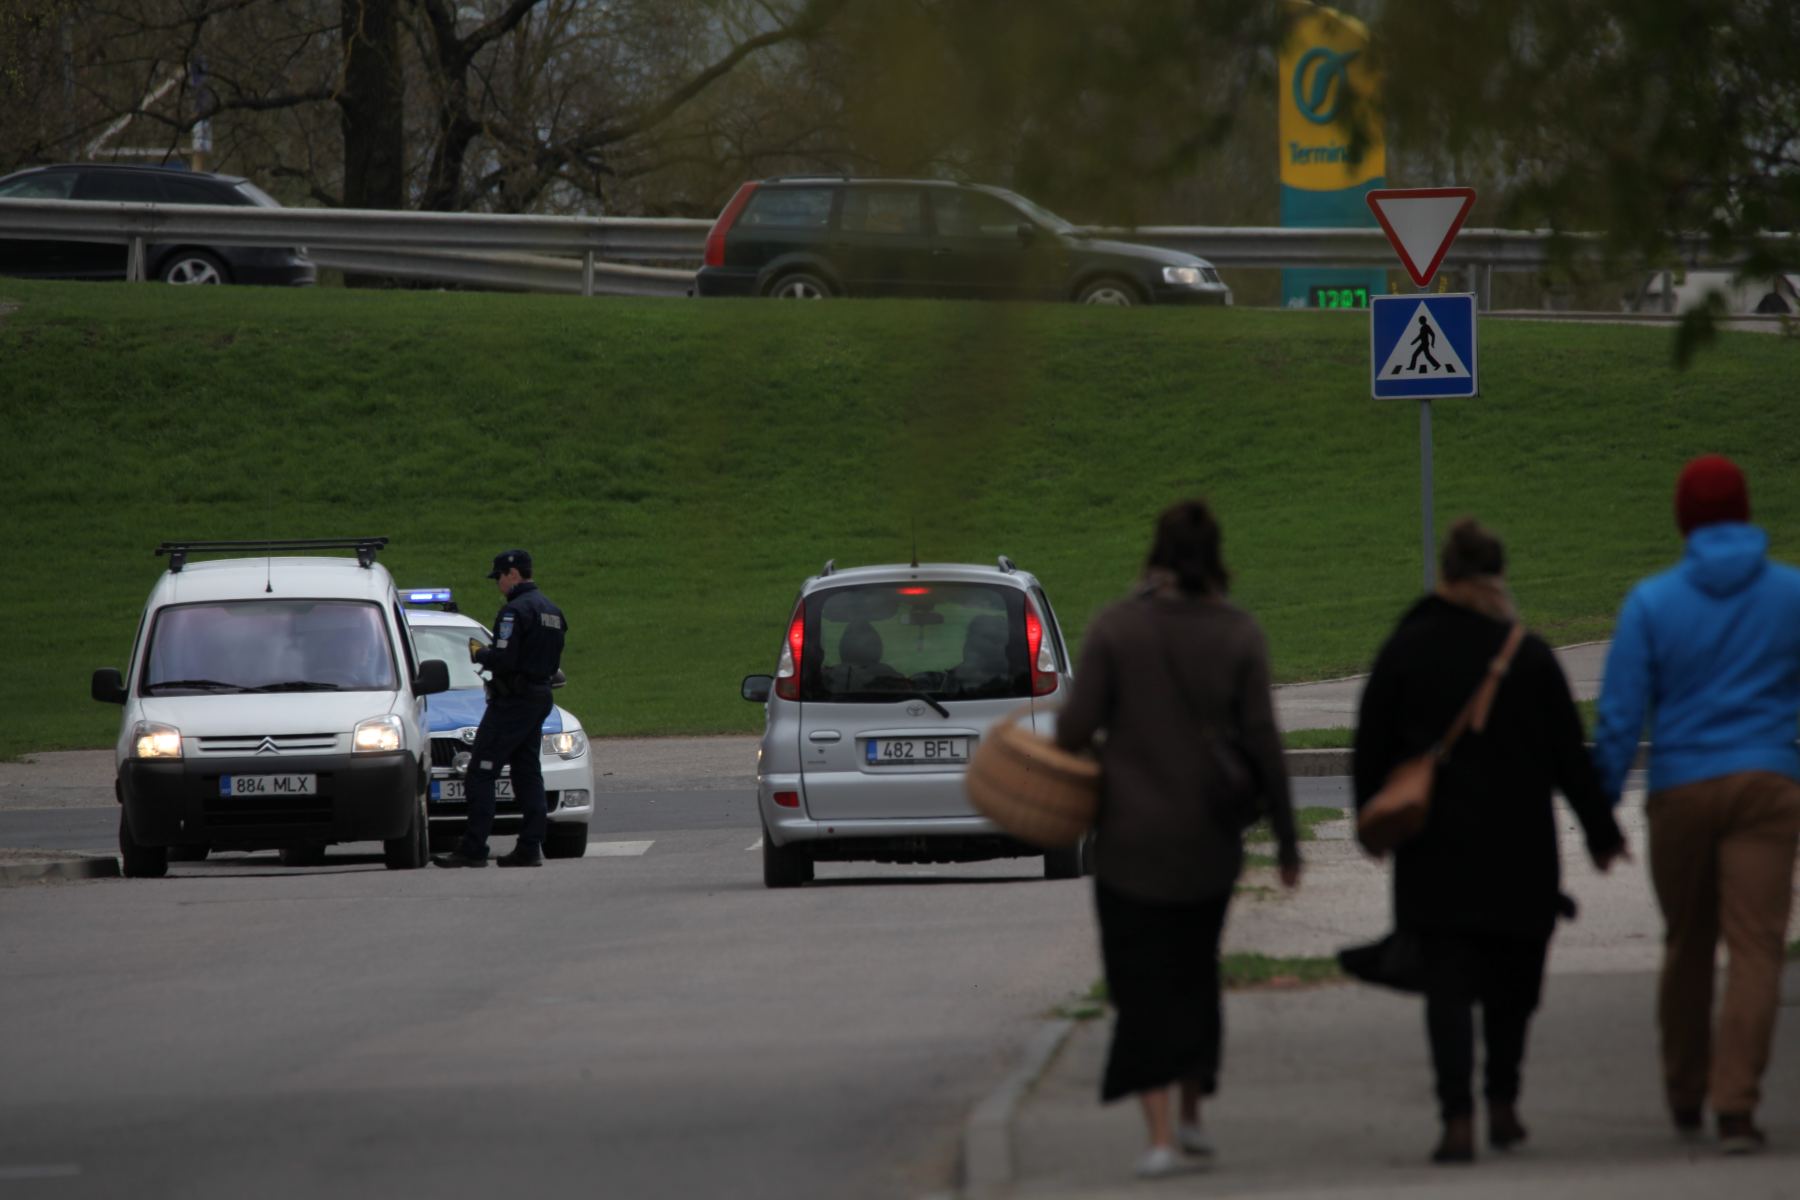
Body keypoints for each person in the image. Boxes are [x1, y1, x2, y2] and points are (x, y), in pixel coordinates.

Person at [1353, 519, 1626, 1164]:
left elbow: (1370, 744)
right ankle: (1502, 1100)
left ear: (1446, 575)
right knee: (1512, 978)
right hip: (1519, 850)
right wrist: (1601, 834)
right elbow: (1569, 758)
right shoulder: (1526, 654)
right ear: (1498, 577)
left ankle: (1456, 1117)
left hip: (1434, 850)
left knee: (1445, 983)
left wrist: (1372, 821)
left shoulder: (1406, 647)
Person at [1054, 499, 1301, 1179]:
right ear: (1217, 557)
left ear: (1155, 554)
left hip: (1128, 847)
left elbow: (1072, 729)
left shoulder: (1116, 628)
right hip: (1209, 847)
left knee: (1142, 988)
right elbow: (1266, 744)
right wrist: (1288, 845)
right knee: (1195, 975)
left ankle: (1160, 1137)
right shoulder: (1240, 635)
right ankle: (1192, 1114)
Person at [1591, 455, 1800, 1153]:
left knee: (1687, 941)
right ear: (1746, 512)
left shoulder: (1652, 602)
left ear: (1683, 519)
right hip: (1767, 780)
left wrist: (1601, 809)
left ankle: (1685, 1091)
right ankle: (1735, 1105)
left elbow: (1621, 717)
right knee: (1756, 945)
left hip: (1680, 785)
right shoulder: (1790, 594)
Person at [432, 549, 568, 869]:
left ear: (513, 574)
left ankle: (474, 847)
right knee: (527, 772)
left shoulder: (514, 611)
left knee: (480, 771)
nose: (498, 584)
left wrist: (481, 654)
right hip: (538, 697)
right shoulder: (553, 611)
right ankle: (530, 847)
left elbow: (505, 660)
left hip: (512, 702)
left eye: (499, 578)